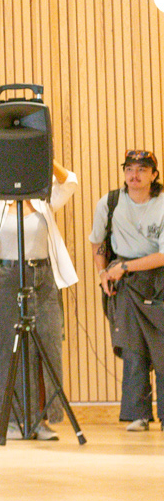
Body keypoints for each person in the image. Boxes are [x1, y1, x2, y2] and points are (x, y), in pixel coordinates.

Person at [0, 160, 77, 439]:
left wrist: (45, 156)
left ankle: (39, 421)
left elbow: (69, 183)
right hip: (6, 277)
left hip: (43, 278)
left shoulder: (43, 195)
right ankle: (8, 421)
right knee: (7, 348)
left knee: (47, 346)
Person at [91, 149, 164, 429]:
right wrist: (102, 272)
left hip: (158, 280)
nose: (134, 175)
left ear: (154, 175)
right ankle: (137, 414)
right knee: (133, 348)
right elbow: (98, 241)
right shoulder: (110, 202)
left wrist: (124, 267)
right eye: (129, 169)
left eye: (142, 169)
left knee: (162, 348)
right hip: (125, 283)